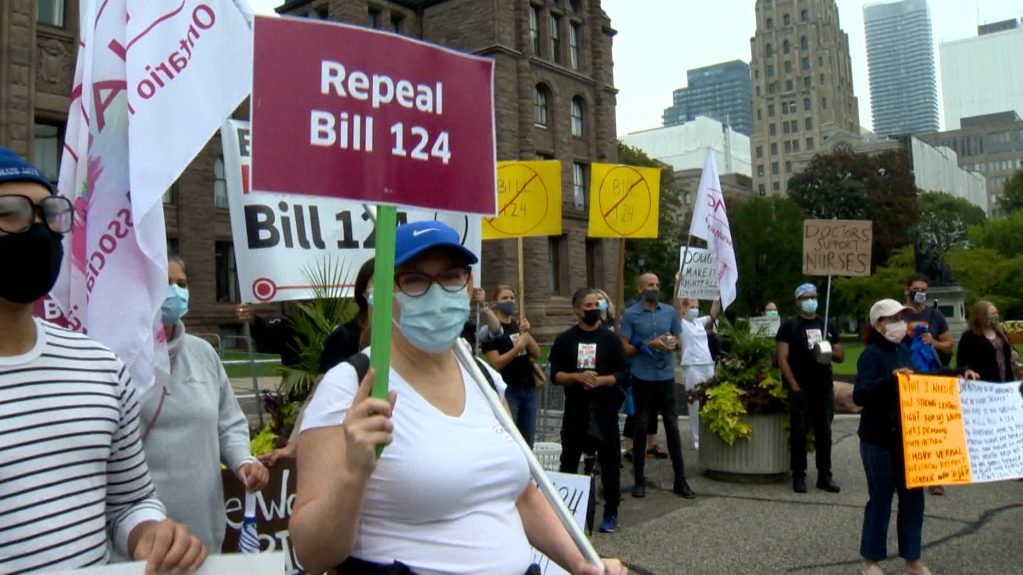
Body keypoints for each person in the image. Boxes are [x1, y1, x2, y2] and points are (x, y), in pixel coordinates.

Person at [289, 220, 626, 575]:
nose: (437, 292)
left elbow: (521, 495)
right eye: (414, 280)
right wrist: (353, 472)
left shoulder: (484, 378)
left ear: (468, 286)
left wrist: (580, 562)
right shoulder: (349, 386)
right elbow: (312, 554)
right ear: (383, 293)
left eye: (451, 276)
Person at [0, 147, 206, 572]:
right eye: (11, 213)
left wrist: (150, 533)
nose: (38, 229)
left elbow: (130, 500)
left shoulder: (99, 368)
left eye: (49, 213)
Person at [138, 254, 269, 553]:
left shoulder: (204, 354)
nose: (175, 291)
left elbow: (229, 424)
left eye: (181, 284)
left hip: (204, 530)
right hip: (142, 539)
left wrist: (243, 460)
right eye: (165, 283)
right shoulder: (121, 357)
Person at [854, 299, 978, 575]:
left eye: (902, 317)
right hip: (878, 438)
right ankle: (871, 560)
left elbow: (926, 376)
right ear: (878, 324)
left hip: (910, 437)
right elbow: (860, 394)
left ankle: (912, 558)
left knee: (913, 499)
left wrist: (959, 373)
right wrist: (890, 380)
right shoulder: (871, 355)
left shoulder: (903, 350)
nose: (900, 323)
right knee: (880, 499)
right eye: (893, 318)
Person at [549, 288, 629, 534]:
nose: (594, 309)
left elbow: (624, 374)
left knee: (610, 463)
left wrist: (601, 381)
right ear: (576, 309)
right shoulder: (565, 340)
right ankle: (567, 513)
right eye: (588, 306)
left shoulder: (611, 339)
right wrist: (577, 377)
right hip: (576, 411)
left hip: (605, 411)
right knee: (569, 461)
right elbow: (556, 375)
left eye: (597, 305)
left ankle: (611, 512)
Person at [619, 273, 695, 499]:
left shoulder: (669, 312)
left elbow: (678, 340)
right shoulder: (631, 315)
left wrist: (671, 343)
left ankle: (680, 480)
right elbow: (624, 348)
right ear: (640, 289)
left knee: (672, 426)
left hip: (665, 375)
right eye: (650, 285)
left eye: (657, 285)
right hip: (642, 376)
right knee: (641, 425)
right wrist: (648, 344)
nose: (654, 288)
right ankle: (639, 480)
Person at [776, 283, 845, 494]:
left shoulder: (826, 325)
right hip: (800, 386)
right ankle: (799, 474)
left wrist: (826, 351)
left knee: (824, 432)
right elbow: (782, 358)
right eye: (805, 298)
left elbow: (840, 355)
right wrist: (794, 386)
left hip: (823, 387)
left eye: (813, 297)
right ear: (798, 302)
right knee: (799, 432)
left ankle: (825, 475)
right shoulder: (789, 326)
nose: (810, 301)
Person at [481, 285, 541, 446]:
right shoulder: (491, 332)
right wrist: (517, 349)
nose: (509, 301)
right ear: (495, 303)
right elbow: (496, 364)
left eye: (512, 298)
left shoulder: (517, 325)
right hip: (508, 390)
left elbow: (536, 353)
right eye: (504, 298)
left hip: (527, 388)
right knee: (510, 436)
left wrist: (527, 334)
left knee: (528, 438)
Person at [678, 297, 721, 449]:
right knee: (694, 403)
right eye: (692, 307)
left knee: (711, 399)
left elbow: (713, 314)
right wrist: (679, 289)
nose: (695, 309)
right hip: (692, 366)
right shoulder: (680, 323)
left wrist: (717, 295)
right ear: (684, 309)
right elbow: (676, 307)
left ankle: (710, 435)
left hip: (707, 364)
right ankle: (697, 439)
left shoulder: (699, 322)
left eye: (696, 306)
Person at [956, 300, 1021, 382]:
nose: (996, 316)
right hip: (984, 383)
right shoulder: (969, 336)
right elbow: (961, 362)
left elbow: (1009, 347)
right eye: (992, 314)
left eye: (996, 313)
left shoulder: (1000, 332)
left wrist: (1014, 353)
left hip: (1006, 381)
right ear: (980, 316)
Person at [903, 274, 954, 365]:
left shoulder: (935, 315)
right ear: (907, 290)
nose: (919, 293)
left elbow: (949, 345)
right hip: (903, 365)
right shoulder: (897, 314)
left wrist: (933, 342)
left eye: (923, 290)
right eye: (915, 289)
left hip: (928, 366)